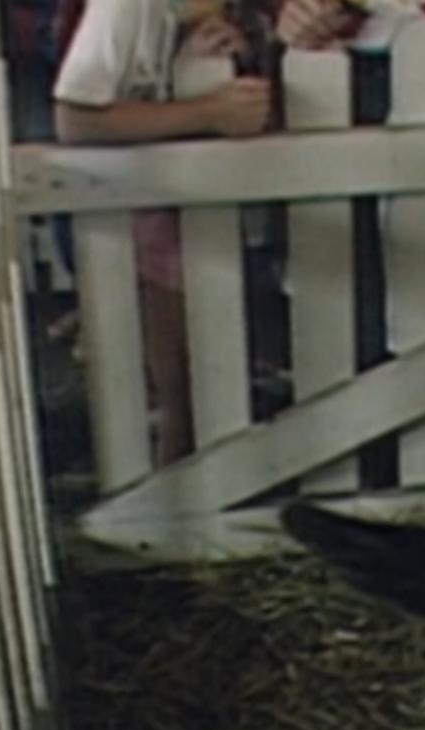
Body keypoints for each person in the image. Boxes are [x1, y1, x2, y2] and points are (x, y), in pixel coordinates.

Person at [53, 0, 273, 464]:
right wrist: (207, 111)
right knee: (180, 387)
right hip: (136, 203)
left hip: (188, 203)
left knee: (206, 378)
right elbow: (74, 117)